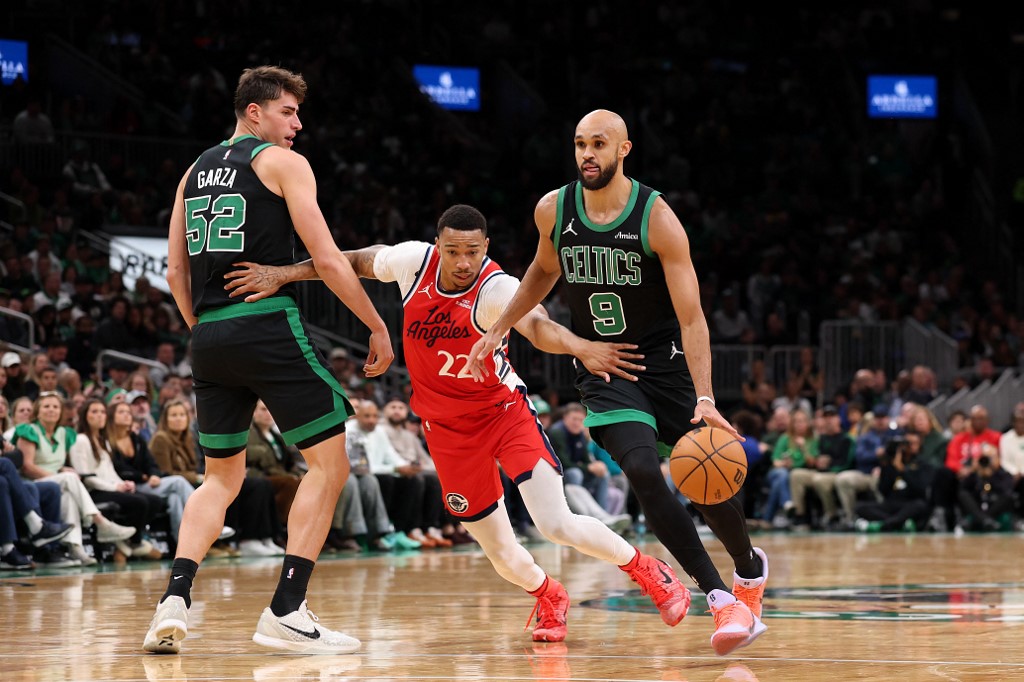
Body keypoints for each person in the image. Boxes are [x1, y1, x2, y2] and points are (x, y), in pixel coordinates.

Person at [226, 203, 692, 645]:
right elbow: (347, 260)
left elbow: (539, 325)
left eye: (473, 251)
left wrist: (579, 346)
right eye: (453, 252)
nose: (463, 262)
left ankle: (645, 568)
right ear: (437, 245)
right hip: (446, 432)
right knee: (503, 556)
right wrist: (283, 273)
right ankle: (549, 594)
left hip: (502, 415)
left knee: (555, 522)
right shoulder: (413, 263)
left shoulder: (496, 289)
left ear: (486, 246)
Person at [466, 110, 768, 655]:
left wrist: (705, 396)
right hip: (606, 367)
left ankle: (748, 567)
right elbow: (541, 269)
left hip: (664, 363)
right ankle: (720, 598)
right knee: (643, 471)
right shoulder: (553, 209)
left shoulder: (656, 218)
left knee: (708, 479)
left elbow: (694, 316)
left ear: (623, 149)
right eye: (580, 143)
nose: (588, 153)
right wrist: (500, 326)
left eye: (599, 144)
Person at [143, 65, 394, 656]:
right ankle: (287, 608)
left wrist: (202, 328)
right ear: (254, 112)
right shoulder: (281, 163)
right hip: (265, 325)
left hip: (208, 337)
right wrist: (377, 325)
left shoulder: (191, 173)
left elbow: (175, 270)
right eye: (288, 112)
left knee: (219, 478)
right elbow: (329, 258)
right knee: (330, 466)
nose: (297, 126)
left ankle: (173, 599)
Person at [13, 392, 137, 565]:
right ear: (37, 411)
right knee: (70, 478)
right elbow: (27, 467)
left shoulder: (65, 433)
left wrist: (62, 470)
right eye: (46, 406)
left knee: (70, 495)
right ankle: (100, 521)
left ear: (61, 412)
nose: (51, 410)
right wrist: (60, 474)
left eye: (55, 407)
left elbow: (58, 463)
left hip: (57, 483)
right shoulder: (29, 430)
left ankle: (74, 548)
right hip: (31, 483)